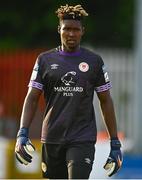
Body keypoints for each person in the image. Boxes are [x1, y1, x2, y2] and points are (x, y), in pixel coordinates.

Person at [15, 4, 123, 179]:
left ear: (83, 31)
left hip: (82, 138)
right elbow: (32, 97)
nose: (71, 34)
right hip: (52, 137)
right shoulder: (44, 60)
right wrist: (22, 133)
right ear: (59, 29)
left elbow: (106, 100)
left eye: (76, 29)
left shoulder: (94, 61)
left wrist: (115, 142)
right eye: (67, 29)